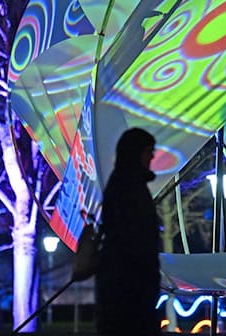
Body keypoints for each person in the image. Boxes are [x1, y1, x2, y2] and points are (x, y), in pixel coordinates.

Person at [96, 127, 161, 336]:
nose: (152, 156)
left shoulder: (120, 185)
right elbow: (135, 237)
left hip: (123, 283)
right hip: (131, 286)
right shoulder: (130, 188)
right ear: (137, 152)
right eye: (149, 150)